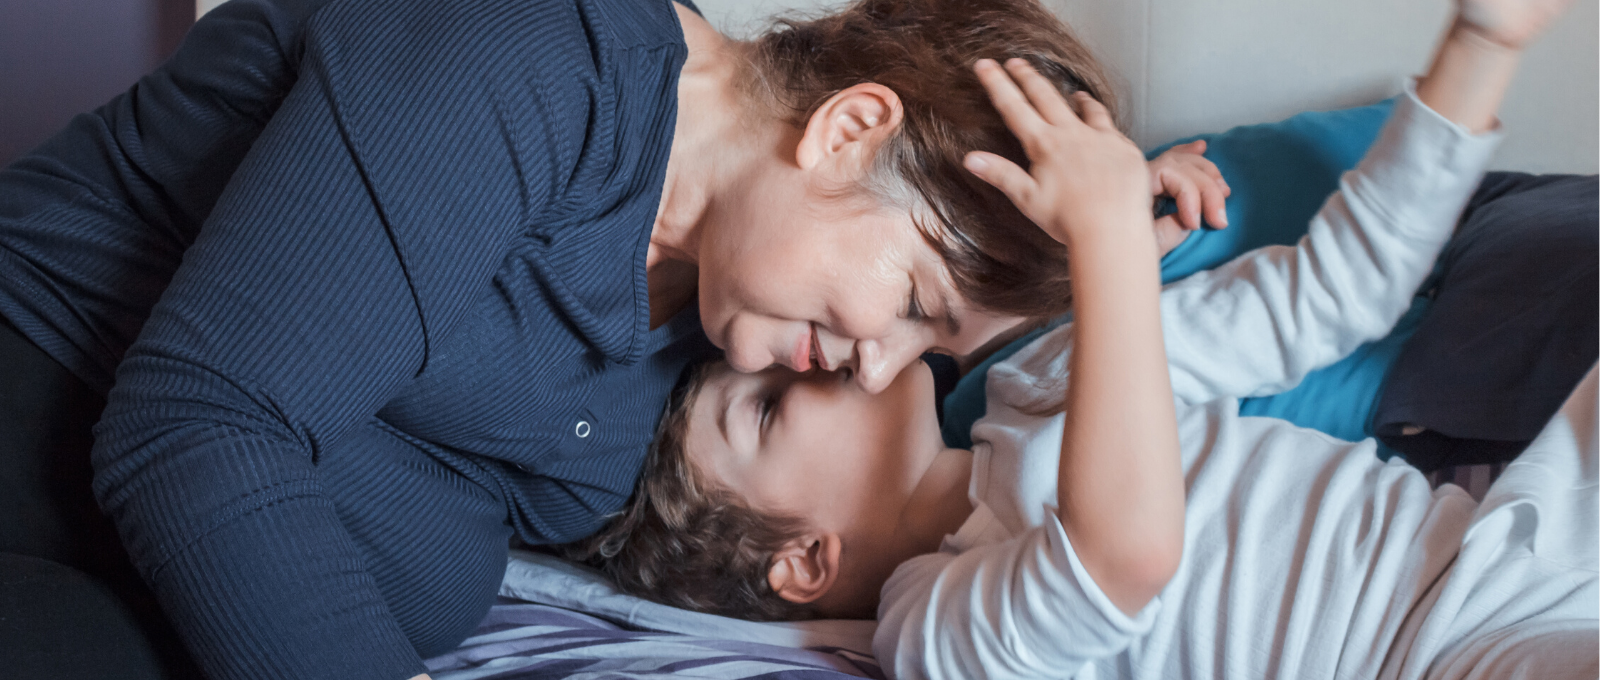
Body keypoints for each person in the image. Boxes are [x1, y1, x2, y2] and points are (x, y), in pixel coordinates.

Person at [0, 0, 1231, 678]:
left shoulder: (718, 327)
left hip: (151, 585)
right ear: (848, 129)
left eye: (932, 355)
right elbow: (203, 426)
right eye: (911, 303)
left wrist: (1105, 241)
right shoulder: (534, 54)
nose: (879, 369)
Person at [569, 0, 1599, 677]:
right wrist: (1109, 255)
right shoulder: (932, 625)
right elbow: (1119, 554)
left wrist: (1480, 46)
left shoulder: (1047, 379)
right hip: (1448, 650)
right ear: (803, 561)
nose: (850, 351)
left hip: (1523, 535)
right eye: (765, 402)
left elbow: (1341, 293)